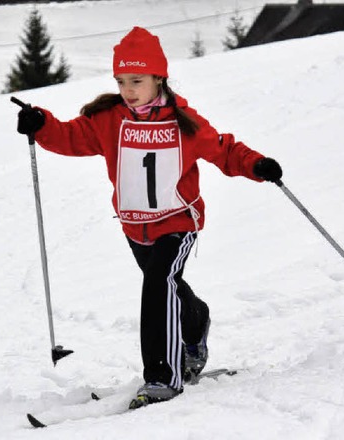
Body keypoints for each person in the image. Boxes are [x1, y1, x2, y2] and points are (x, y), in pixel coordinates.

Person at [15, 26, 282, 406]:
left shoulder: (182, 122)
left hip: (177, 221)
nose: (128, 89)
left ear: (159, 77)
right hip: (134, 226)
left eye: (137, 80)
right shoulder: (109, 119)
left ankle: (162, 376)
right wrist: (40, 123)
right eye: (121, 81)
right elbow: (70, 137)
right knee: (168, 287)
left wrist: (257, 164)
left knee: (157, 285)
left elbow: (224, 150)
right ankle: (196, 320)